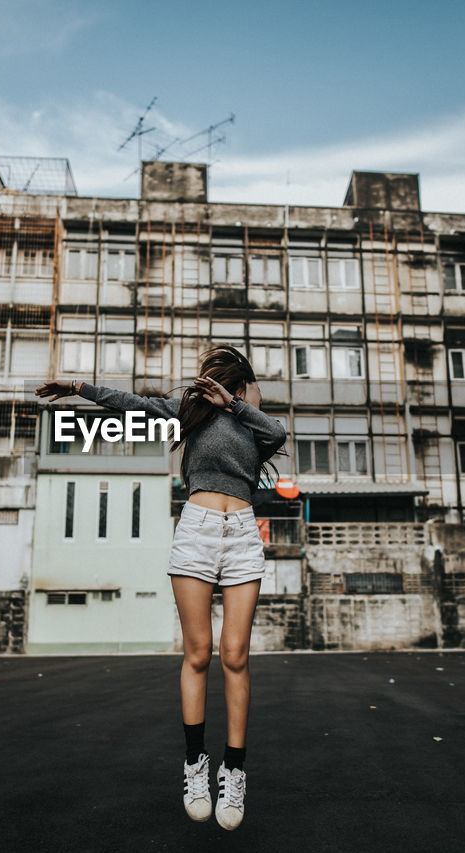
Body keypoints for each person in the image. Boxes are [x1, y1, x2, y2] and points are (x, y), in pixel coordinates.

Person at [35, 345, 286, 831]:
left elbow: (277, 432)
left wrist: (237, 404)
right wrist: (76, 388)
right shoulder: (188, 414)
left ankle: (234, 770)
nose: (206, 385)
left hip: (241, 536)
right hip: (196, 530)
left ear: (237, 386)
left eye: (218, 380)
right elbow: (131, 403)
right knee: (198, 653)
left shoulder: (254, 423)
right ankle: (197, 765)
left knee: (234, 654)